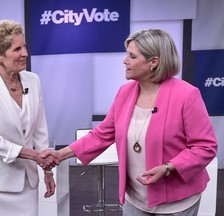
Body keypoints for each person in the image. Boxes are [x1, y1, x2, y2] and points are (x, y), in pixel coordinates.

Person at [42, 29, 217, 215]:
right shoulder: (125, 93)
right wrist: (59, 155)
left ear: (153, 62)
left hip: (177, 203)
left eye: (132, 56)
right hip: (135, 200)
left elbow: (205, 147)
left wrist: (168, 168)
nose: (125, 61)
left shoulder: (186, 95)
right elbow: (102, 134)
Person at [0, 20, 59, 216]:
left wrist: (47, 171)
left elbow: (40, 130)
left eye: (24, 46)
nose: (25, 53)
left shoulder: (33, 80)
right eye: (17, 49)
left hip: (26, 183)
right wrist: (33, 155)